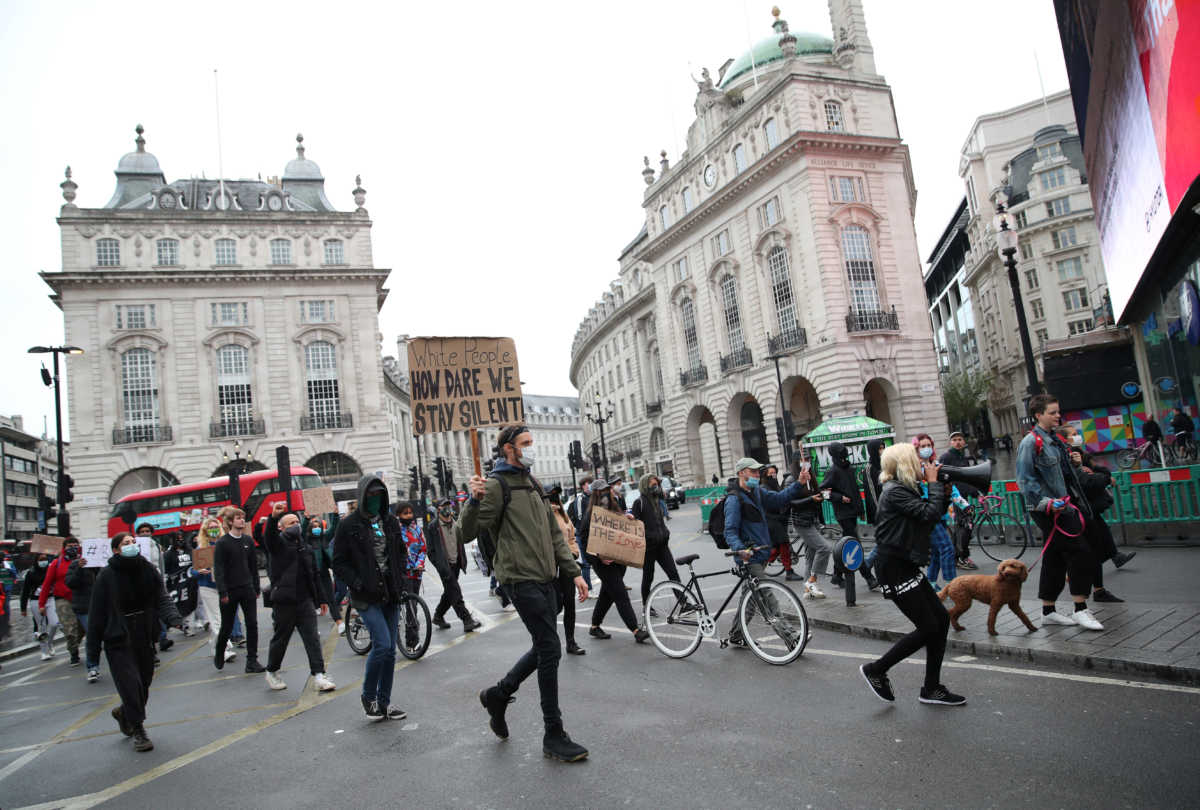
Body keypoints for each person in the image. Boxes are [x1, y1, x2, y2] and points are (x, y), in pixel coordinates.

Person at [464, 424, 589, 763]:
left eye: (531, 442)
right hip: (519, 579)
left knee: (543, 646)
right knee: (550, 648)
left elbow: (553, 533)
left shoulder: (532, 483)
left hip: (547, 576)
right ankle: (553, 733)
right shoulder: (495, 485)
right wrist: (472, 502)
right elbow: (466, 531)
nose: (531, 448)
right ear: (508, 449)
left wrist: (574, 572)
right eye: (526, 443)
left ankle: (498, 695)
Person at [858, 443, 963, 706]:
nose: (921, 462)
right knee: (928, 626)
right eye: (915, 458)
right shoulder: (894, 492)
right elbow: (928, 513)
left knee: (941, 619)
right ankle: (876, 669)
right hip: (894, 568)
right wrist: (935, 485)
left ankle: (932, 688)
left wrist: (944, 492)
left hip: (904, 564)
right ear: (905, 464)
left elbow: (929, 515)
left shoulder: (903, 489)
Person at [86, 532, 186, 752]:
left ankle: (124, 713)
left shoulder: (147, 569)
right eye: (126, 543)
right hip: (118, 637)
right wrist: (92, 653)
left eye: (133, 542)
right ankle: (138, 730)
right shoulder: (106, 576)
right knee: (130, 685)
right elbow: (96, 615)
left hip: (143, 632)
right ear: (116, 550)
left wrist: (175, 619)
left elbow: (161, 597)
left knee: (144, 683)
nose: (131, 546)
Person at [1015, 394, 1103, 631]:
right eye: (1052, 412)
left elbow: (1061, 475)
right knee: (1080, 551)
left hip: (1064, 505)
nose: (1057, 416)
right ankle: (1080, 608)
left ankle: (1048, 611)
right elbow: (1025, 482)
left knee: (1055, 557)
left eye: (1057, 412)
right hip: (1050, 509)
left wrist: (1074, 463)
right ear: (1038, 415)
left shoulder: (1055, 440)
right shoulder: (1030, 443)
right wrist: (1047, 504)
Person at [331, 475, 410, 722]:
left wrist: (401, 580)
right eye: (371, 495)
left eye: (380, 495)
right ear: (363, 496)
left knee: (390, 652)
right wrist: (356, 583)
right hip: (366, 596)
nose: (376, 499)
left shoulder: (391, 521)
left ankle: (384, 702)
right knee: (383, 645)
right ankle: (369, 696)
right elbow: (338, 561)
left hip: (391, 592)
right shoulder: (349, 525)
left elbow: (400, 552)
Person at [724, 458, 804, 646]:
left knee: (749, 599)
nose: (757, 475)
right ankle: (791, 637)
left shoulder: (757, 492)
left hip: (761, 553)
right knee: (768, 595)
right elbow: (730, 530)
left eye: (758, 471)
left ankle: (736, 634)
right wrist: (740, 549)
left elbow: (778, 499)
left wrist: (799, 483)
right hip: (748, 557)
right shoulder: (734, 499)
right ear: (741, 472)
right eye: (753, 472)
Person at [1056, 425, 1136, 603]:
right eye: (1074, 435)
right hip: (1079, 511)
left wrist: (1097, 473)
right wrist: (1104, 478)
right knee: (1087, 552)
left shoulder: (1080, 456)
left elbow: (1100, 471)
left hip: (1088, 510)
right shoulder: (1065, 457)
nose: (1078, 437)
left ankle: (1098, 589)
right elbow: (1086, 481)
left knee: (1096, 547)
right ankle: (1083, 596)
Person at [261, 502, 335, 693]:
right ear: (282, 527)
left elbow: (314, 575)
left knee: (312, 639)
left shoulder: (306, 547)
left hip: (305, 601)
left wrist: (321, 600)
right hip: (284, 602)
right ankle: (272, 670)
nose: (295, 524)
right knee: (281, 639)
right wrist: (274, 517)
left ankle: (319, 675)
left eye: (296, 521)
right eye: (290, 522)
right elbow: (268, 538)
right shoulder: (278, 545)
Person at [580, 481, 650, 644]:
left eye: (607, 490)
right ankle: (636, 630)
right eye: (602, 491)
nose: (605, 493)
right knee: (619, 593)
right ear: (596, 493)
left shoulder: (616, 508)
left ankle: (594, 626)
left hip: (618, 560)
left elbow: (622, 526)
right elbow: (584, 541)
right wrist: (598, 557)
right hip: (602, 563)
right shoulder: (591, 514)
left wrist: (629, 519)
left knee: (607, 594)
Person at [212, 506, 267, 672]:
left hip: (247, 588)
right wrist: (223, 592)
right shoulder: (222, 543)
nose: (242, 520)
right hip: (230, 591)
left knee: (252, 624)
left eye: (242, 517)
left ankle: (252, 660)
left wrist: (256, 587)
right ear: (230, 522)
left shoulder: (248, 541)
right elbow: (219, 569)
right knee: (227, 626)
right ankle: (219, 651)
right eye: (238, 518)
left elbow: (253, 567)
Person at [821, 443, 878, 591]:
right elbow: (823, 493)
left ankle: (837, 575)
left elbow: (855, 490)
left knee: (845, 544)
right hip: (843, 513)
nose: (844, 455)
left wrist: (860, 509)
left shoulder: (849, 469)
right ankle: (869, 577)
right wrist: (839, 498)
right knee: (854, 544)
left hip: (852, 512)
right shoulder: (832, 471)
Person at [427, 498, 481, 633]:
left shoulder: (455, 523)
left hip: (456, 563)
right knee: (455, 592)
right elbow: (431, 551)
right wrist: (439, 565)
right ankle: (467, 620)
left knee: (449, 591)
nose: (447, 508)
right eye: (443, 506)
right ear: (438, 509)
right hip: (444, 566)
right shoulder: (433, 526)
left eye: (448, 505)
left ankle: (438, 616)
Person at [913, 434, 958, 589]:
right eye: (922, 446)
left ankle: (931, 583)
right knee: (947, 548)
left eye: (928, 445)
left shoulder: (937, 465)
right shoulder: (915, 469)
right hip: (929, 513)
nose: (926, 448)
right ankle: (952, 584)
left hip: (941, 512)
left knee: (938, 552)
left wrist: (963, 504)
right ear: (916, 448)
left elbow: (952, 489)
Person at [192, 517, 237, 665]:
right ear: (205, 531)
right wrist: (200, 571)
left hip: (225, 586)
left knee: (223, 619)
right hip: (207, 587)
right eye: (210, 527)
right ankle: (224, 650)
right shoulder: (201, 549)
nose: (213, 529)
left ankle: (215, 645)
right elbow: (193, 571)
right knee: (216, 619)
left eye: (215, 526)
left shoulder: (225, 544)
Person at [634, 473, 681, 610]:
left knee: (673, 573)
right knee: (648, 577)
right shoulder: (639, 503)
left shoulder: (657, 500)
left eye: (657, 484)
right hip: (648, 548)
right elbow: (636, 526)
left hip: (662, 545)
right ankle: (646, 605)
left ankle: (683, 602)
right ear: (645, 486)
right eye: (653, 485)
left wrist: (665, 533)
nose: (656, 487)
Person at [547, 485, 584, 655]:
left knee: (569, 604)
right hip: (551, 567)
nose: (555, 498)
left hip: (567, 564)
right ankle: (550, 643)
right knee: (555, 606)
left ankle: (570, 641)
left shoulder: (563, 514)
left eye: (556, 495)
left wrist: (574, 553)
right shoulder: (544, 515)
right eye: (552, 495)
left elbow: (571, 537)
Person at [38, 537, 84, 666]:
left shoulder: (84, 560)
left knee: (82, 627)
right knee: (69, 628)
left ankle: (74, 643)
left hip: (81, 598)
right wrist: (41, 604)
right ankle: (74, 653)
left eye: (75, 545)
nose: (73, 548)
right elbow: (47, 584)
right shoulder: (55, 564)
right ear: (64, 548)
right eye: (70, 546)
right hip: (63, 599)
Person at [939, 431, 980, 570]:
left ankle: (957, 556)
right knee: (964, 526)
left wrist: (975, 493)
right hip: (956, 498)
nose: (957, 442)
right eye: (954, 439)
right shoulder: (946, 457)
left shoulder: (964, 458)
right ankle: (962, 557)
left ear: (964, 442)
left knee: (961, 527)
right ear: (950, 442)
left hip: (964, 497)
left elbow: (968, 478)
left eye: (960, 439)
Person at [788, 463, 829, 599]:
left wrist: (821, 496)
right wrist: (810, 499)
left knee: (810, 556)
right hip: (802, 522)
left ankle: (808, 589)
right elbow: (791, 502)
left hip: (813, 520)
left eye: (808, 460)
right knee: (824, 548)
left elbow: (816, 499)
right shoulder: (791, 480)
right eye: (801, 460)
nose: (806, 463)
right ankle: (812, 581)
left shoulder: (811, 478)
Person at [396, 501, 429, 650]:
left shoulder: (417, 529)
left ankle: (411, 638)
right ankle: (412, 642)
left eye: (410, 512)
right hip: (403, 574)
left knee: (413, 605)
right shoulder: (395, 531)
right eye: (405, 513)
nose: (409, 515)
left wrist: (420, 564)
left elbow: (423, 548)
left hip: (417, 573)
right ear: (399, 515)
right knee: (411, 607)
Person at [64, 551, 101, 682]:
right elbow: (70, 582)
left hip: (103, 605)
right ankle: (92, 667)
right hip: (84, 607)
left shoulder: (103, 564)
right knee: (92, 636)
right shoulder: (76, 565)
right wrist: (80, 568)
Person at [761, 465, 802, 581]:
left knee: (778, 547)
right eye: (771, 473)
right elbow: (774, 502)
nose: (773, 475)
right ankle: (789, 571)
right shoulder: (764, 487)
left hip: (778, 519)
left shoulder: (775, 485)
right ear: (765, 475)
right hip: (771, 520)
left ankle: (760, 564)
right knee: (783, 544)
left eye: (775, 473)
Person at [305, 514, 343, 635]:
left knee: (331, 599)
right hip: (310, 576)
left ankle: (339, 623)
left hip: (324, 573)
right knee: (312, 604)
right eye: (314, 526)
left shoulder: (324, 537)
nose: (316, 528)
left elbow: (334, 527)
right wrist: (306, 520)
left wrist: (335, 514)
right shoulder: (306, 539)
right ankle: (313, 629)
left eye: (318, 526)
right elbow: (302, 528)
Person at [21, 553, 55, 660]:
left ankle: (49, 642)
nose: (43, 561)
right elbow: (25, 591)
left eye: (45, 559)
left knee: (54, 623)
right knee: (42, 626)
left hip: (50, 599)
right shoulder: (30, 573)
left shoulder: (51, 570)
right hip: (36, 601)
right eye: (41, 559)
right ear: (36, 561)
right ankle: (44, 651)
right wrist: (23, 607)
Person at [568, 476, 594, 594]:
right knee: (586, 563)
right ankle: (588, 588)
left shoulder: (591, 497)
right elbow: (580, 518)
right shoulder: (580, 499)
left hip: (591, 533)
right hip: (583, 534)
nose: (591, 486)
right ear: (583, 485)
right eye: (589, 484)